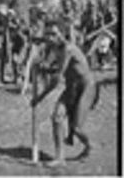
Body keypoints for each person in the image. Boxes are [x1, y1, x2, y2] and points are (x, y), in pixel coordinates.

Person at [31, 24, 96, 167]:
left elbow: (57, 78)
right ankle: (60, 158)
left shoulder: (68, 49)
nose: (51, 38)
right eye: (48, 35)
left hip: (86, 87)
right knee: (57, 117)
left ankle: (89, 146)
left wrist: (40, 97)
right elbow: (52, 67)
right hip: (71, 87)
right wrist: (42, 66)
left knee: (77, 128)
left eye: (54, 34)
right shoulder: (54, 49)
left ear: (61, 33)